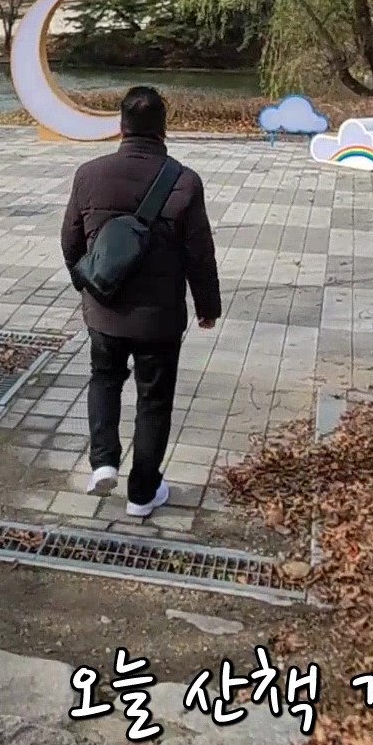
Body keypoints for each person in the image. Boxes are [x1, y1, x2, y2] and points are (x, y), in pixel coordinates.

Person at [60, 86, 222, 519]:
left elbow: (70, 241)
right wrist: (208, 307)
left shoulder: (89, 174)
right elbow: (199, 253)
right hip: (160, 319)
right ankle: (142, 495)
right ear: (163, 129)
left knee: (104, 379)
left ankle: (103, 462)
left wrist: (87, 285)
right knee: (154, 401)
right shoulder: (184, 181)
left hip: (104, 313)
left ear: (121, 126)